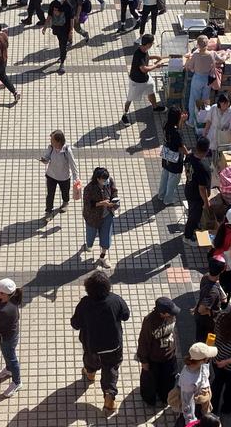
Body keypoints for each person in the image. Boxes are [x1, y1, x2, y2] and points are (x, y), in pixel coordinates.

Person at [71, 272, 131, 415]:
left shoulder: (85, 303)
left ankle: (90, 374)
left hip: (92, 345)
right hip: (113, 346)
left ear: (88, 288)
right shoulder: (115, 300)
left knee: (90, 360)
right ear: (107, 287)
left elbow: (75, 324)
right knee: (110, 370)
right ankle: (109, 397)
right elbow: (126, 315)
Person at [137, 296, 181, 407]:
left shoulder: (171, 317)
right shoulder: (149, 322)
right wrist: (144, 361)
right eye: (170, 313)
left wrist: (174, 345)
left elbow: (172, 332)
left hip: (169, 356)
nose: (173, 315)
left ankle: (165, 397)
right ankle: (149, 399)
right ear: (162, 313)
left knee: (169, 378)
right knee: (150, 381)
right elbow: (143, 342)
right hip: (154, 358)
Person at [120, 34, 166, 125]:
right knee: (130, 99)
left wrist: (156, 57)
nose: (152, 44)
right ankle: (124, 115)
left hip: (146, 78)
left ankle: (155, 107)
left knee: (151, 91)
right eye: (152, 43)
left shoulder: (144, 49)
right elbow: (144, 69)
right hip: (136, 82)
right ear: (148, 44)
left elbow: (146, 57)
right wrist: (156, 65)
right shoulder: (138, 54)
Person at [81, 166, 118, 268]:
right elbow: (88, 204)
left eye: (107, 179)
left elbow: (114, 191)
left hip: (107, 215)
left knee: (106, 238)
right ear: (97, 179)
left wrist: (114, 201)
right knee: (90, 238)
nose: (106, 181)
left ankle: (103, 256)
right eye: (103, 180)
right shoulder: (89, 188)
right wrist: (102, 203)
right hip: (92, 217)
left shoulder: (109, 181)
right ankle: (88, 245)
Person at [177, 343, 217, 426]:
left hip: (200, 401)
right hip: (196, 407)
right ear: (202, 360)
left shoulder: (197, 364)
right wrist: (191, 423)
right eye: (208, 357)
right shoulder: (188, 381)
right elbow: (187, 404)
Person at [41, 129, 79, 218]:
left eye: (52, 140)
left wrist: (76, 178)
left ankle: (65, 203)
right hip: (51, 175)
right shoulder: (51, 148)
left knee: (65, 192)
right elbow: (47, 158)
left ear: (58, 141)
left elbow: (73, 164)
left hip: (64, 177)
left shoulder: (67, 150)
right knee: (50, 195)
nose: (51, 141)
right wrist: (45, 160)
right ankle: (48, 212)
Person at [156, 106, 188, 206]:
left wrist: (181, 121)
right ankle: (168, 199)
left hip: (166, 156)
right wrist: (189, 154)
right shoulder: (176, 133)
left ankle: (161, 195)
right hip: (175, 159)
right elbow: (181, 146)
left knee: (165, 175)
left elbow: (177, 130)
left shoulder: (166, 125)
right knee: (173, 180)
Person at [193, 257, 227, 343]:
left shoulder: (206, 276)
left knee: (201, 336)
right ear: (223, 270)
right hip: (207, 321)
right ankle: (204, 350)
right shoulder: (212, 292)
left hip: (202, 319)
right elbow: (201, 310)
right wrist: (210, 312)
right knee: (206, 339)